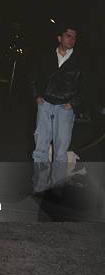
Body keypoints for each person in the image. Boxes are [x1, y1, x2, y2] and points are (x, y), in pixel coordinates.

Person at [30, 24, 85, 190]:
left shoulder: (80, 61)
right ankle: (39, 185)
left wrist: (73, 103)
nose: (72, 39)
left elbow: (87, 85)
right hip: (45, 104)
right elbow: (33, 75)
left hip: (65, 108)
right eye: (68, 35)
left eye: (74, 37)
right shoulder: (46, 56)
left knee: (61, 151)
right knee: (40, 147)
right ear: (59, 38)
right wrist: (36, 95)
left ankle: (56, 186)